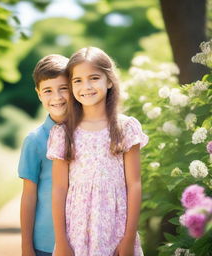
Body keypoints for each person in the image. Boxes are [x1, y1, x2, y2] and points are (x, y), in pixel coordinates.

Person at [47, 47, 149, 256]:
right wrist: (61, 241)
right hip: (75, 232)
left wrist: (128, 238)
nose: (86, 86)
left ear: (109, 81)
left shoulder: (126, 128)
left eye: (94, 78)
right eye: (78, 80)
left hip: (116, 229)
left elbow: (134, 184)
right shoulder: (63, 133)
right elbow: (59, 189)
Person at [18, 54, 69, 256]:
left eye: (63, 88)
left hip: (84, 240)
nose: (56, 97)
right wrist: (26, 247)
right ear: (39, 94)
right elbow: (29, 196)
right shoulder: (35, 140)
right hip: (46, 244)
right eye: (48, 90)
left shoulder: (88, 134)